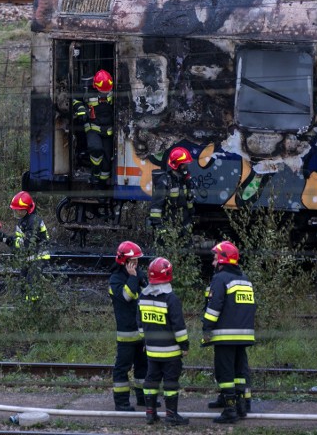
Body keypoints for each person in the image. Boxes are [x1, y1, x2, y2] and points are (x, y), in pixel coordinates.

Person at [201, 241, 256, 424]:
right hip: (244, 335)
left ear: (223, 259)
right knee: (240, 372)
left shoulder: (220, 278)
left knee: (225, 373)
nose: (213, 262)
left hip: (225, 335)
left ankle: (230, 410)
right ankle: (241, 406)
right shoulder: (245, 279)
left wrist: (207, 327)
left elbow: (214, 307)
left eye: (215, 258)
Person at [137, 257, 189, 426]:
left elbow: (140, 324)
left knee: (151, 381)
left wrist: (145, 341)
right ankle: (171, 415)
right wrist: (185, 345)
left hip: (151, 351)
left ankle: (150, 414)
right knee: (170, 382)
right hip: (171, 352)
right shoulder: (170, 298)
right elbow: (178, 326)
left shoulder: (143, 297)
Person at [0, 191, 51, 301]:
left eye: (19, 210)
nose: (16, 212)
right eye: (15, 210)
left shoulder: (33, 222)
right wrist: (2, 236)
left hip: (39, 257)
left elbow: (26, 244)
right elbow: (17, 240)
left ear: (27, 209)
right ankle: (24, 307)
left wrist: (11, 241)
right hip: (29, 257)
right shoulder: (23, 221)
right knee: (23, 284)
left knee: (32, 284)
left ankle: (34, 309)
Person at [108, 241, 151, 412]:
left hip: (141, 333)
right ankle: (121, 403)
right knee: (122, 370)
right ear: (125, 262)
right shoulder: (115, 280)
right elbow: (127, 296)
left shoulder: (138, 274)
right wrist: (133, 277)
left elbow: (147, 291)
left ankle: (143, 399)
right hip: (126, 334)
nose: (137, 264)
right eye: (134, 261)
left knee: (143, 368)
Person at [72, 69, 114, 187]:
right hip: (92, 128)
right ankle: (94, 174)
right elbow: (75, 99)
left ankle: (102, 185)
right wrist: (81, 110)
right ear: (95, 85)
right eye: (102, 90)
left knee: (106, 160)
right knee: (95, 148)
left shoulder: (113, 90)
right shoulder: (86, 90)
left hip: (108, 131)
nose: (105, 93)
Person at [149, 146, 195, 246]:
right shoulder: (165, 182)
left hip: (183, 228)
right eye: (184, 165)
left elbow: (189, 203)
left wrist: (191, 217)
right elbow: (155, 208)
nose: (186, 168)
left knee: (186, 256)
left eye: (187, 165)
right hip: (167, 228)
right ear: (176, 165)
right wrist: (161, 229)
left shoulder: (185, 181)